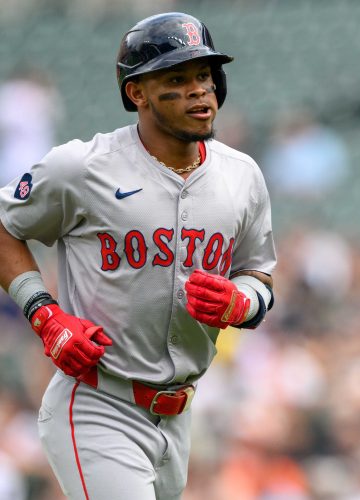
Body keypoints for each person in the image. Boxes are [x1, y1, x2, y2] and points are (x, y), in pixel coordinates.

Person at [0, 12, 276, 500]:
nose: (198, 91)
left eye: (204, 76)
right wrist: (43, 314)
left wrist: (241, 302)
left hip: (180, 415)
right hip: (97, 402)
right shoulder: (82, 168)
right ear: (137, 93)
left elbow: (258, 276)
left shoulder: (242, 176)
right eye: (177, 78)